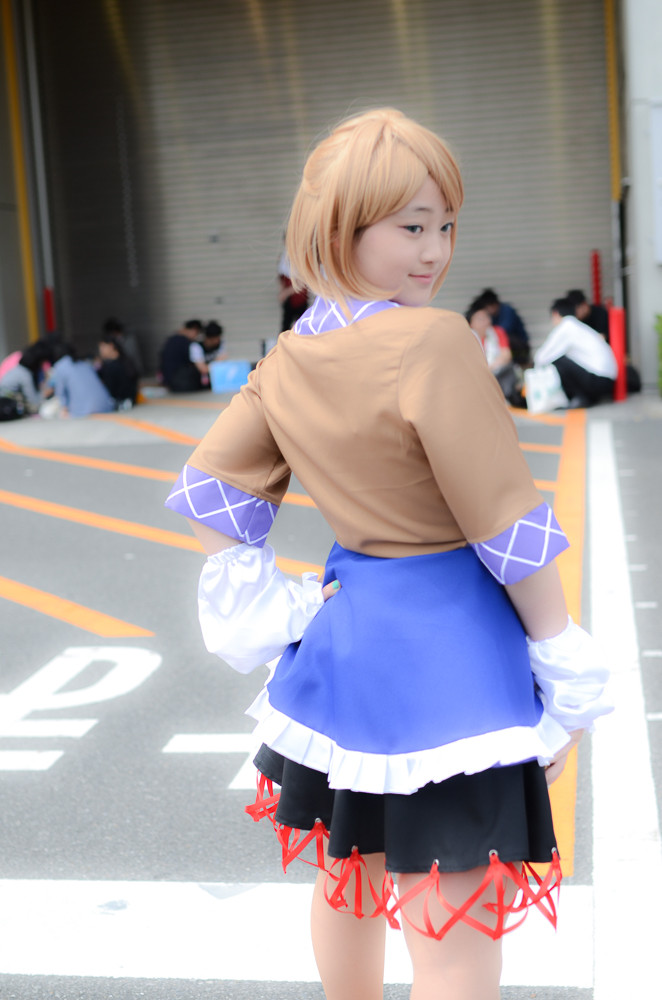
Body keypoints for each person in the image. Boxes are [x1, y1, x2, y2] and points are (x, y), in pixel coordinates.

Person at [165, 109, 611, 1000]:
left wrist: (278, 604)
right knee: (455, 925)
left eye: (445, 226)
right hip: (453, 659)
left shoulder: (292, 353)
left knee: (352, 876)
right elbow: (504, 525)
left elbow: (210, 490)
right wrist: (562, 655)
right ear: (340, 227)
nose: (434, 250)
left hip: (347, 651)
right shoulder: (434, 339)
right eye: (411, 227)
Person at [535, 298, 617, 408]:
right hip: (607, 381)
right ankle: (584, 397)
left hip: (598, 381)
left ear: (555, 314)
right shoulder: (578, 326)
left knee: (556, 360)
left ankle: (579, 396)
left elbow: (540, 357)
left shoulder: (566, 327)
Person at [465, 296, 524, 407]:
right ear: (471, 323)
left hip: (497, 375)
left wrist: (489, 369)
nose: (485, 322)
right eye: (480, 319)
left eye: (486, 317)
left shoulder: (497, 332)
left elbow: (506, 355)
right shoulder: (467, 338)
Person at [46, 343, 115, 417]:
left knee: (47, 412)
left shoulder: (60, 366)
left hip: (86, 411)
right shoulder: (85, 363)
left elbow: (60, 395)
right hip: (107, 406)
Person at [478, 288, 531, 365]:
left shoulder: (507, 311)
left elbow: (503, 330)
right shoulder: (491, 315)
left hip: (520, 348)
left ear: (494, 305)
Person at [0, 340, 54, 413]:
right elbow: (34, 402)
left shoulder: (17, 369)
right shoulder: (25, 375)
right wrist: (46, 392)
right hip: (6, 407)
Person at [159, 319, 208, 392]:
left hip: (169, 382)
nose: (196, 336)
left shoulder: (170, 340)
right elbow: (202, 369)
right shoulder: (189, 344)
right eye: (197, 333)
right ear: (194, 329)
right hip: (182, 383)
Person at [97, 332, 139, 407]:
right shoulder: (126, 360)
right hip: (131, 399)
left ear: (111, 346)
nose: (100, 350)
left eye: (103, 347)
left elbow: (109, 389)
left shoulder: (110, 366)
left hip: (119, 401)